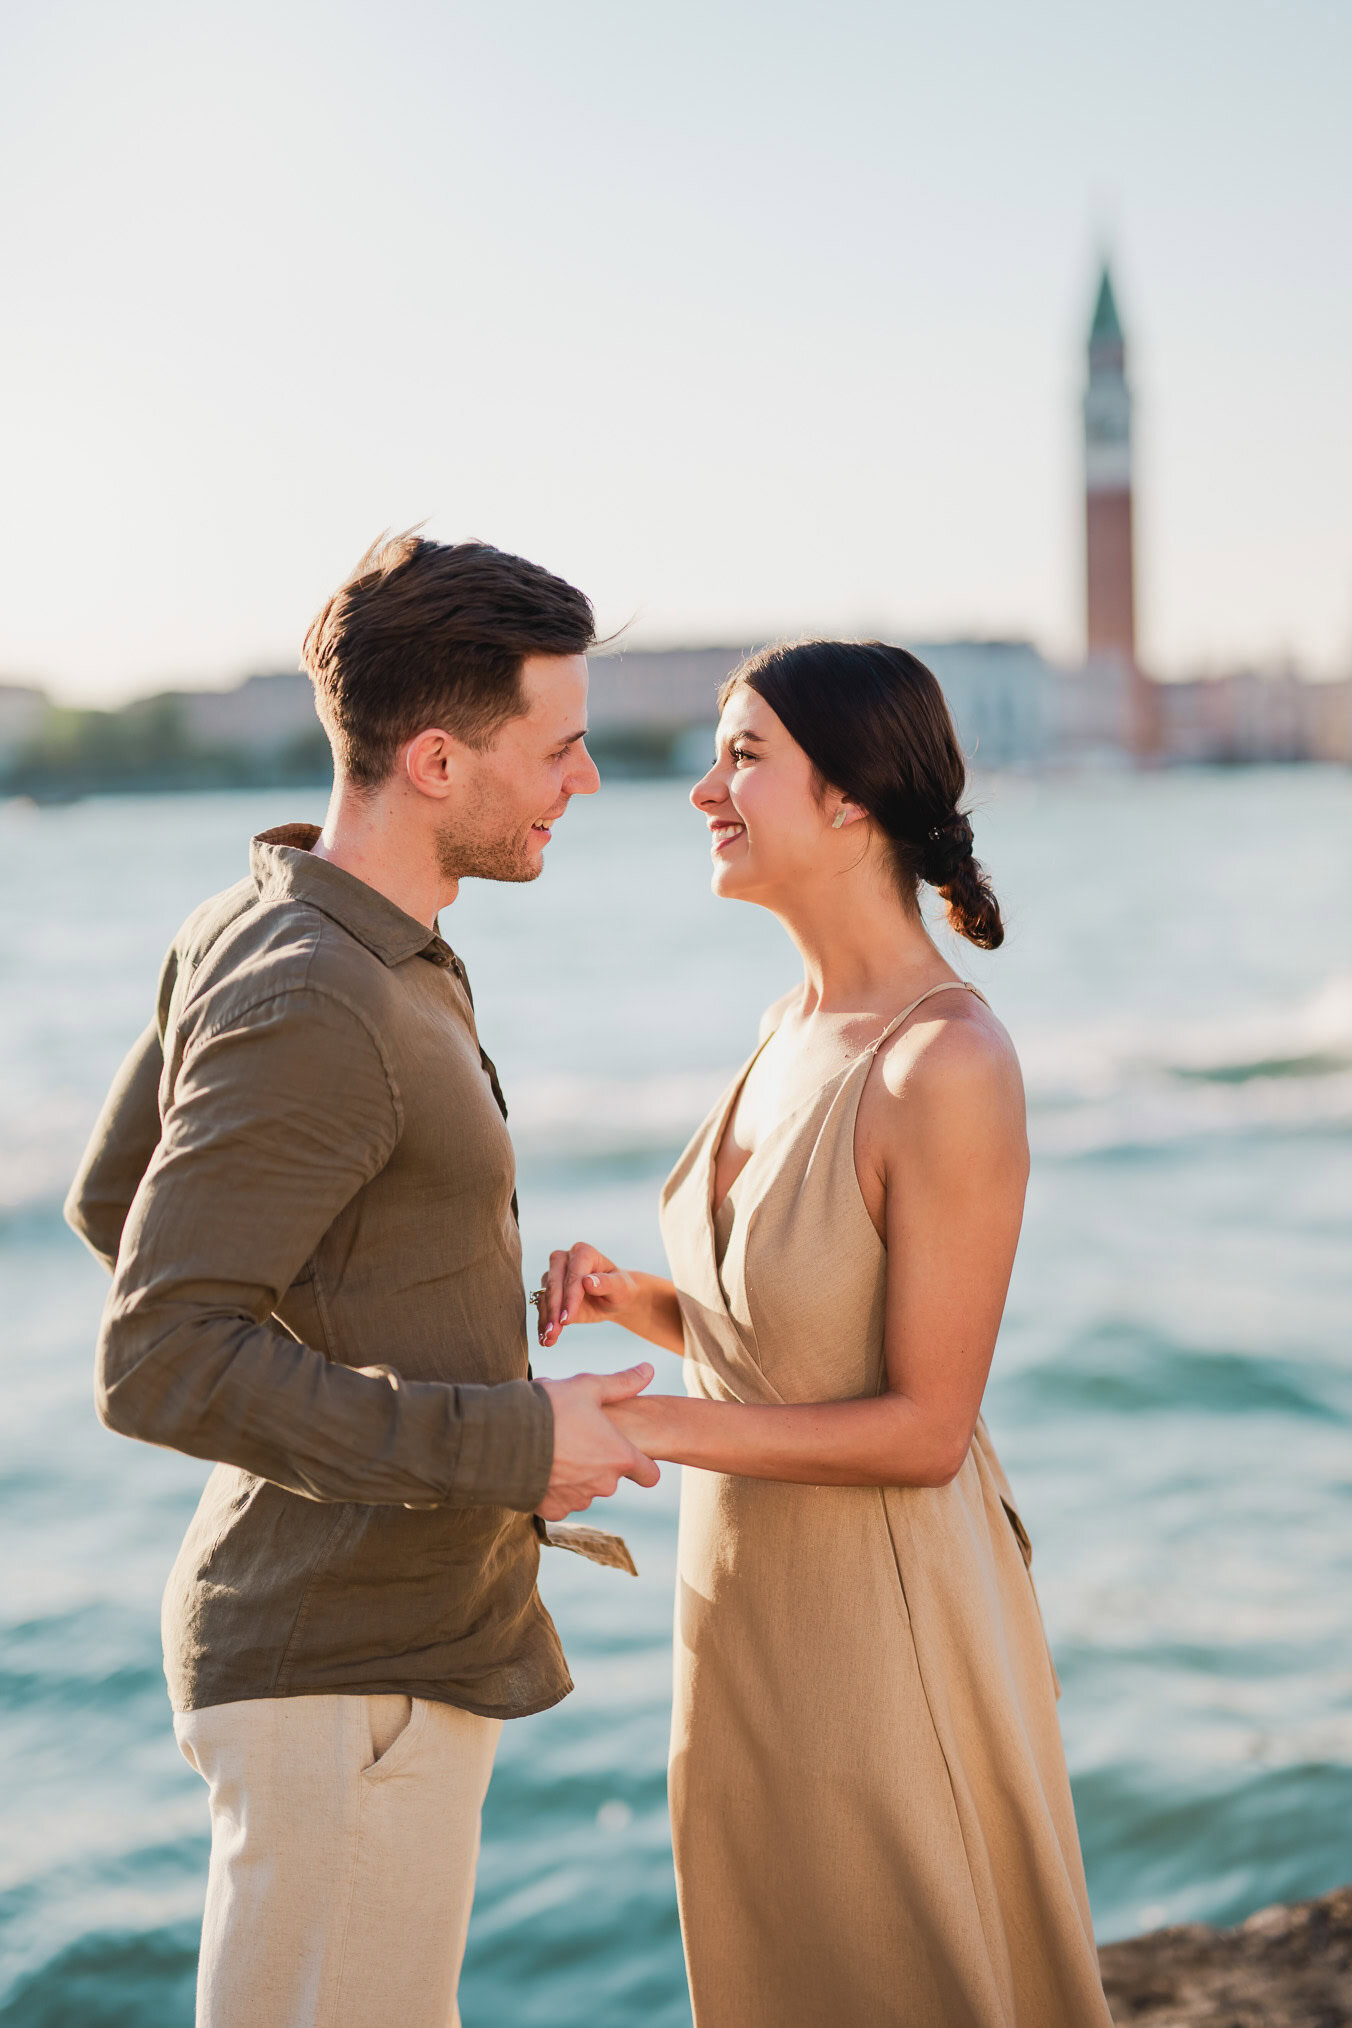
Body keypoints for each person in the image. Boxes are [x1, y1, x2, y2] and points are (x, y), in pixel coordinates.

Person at [64, 532, 659, 2028]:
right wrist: (513, 1439)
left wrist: (392, 1317)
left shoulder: (306, 928)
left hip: (374, 1654)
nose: (582, 782)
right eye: (561, 748)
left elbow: (116, 1204)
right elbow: (163, 1352)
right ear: (442, 760)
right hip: (340, 1674)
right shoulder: (313, 984)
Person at [536, 640, 1114, 2028]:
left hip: (882, 1622)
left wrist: (637, 1424)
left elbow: (920, 1429)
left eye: (745, 756)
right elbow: (784, 1341)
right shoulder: (787, 1024)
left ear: (851, 797)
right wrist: (635, 1303)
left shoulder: (945, 1063)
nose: (702, 792)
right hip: (739, 1616)